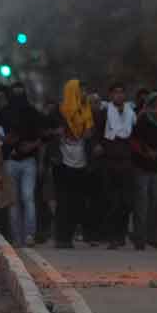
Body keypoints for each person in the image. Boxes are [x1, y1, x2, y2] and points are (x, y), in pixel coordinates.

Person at [0, 82, 45, 246]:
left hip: (28, 161)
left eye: (20, 93)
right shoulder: (4, 112)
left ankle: (29, 235)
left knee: (28, 197)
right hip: (10, 161)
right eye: (15, 93)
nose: (18, 97)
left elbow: (44, 133)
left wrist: (32, 145)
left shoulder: (32, 112)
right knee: (14, 201)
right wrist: (3, 140)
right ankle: (17, 238)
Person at [52, 79, 96, 249]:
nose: (85, 94)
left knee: (77, 202)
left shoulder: (86, 110)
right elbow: (49, 131)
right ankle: (60, 237)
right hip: (62, 161)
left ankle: (69, 236)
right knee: (64, 202)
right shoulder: (60, 110)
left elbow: (89, 133)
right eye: (81, 91)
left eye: (85, 90)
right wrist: (57, 133)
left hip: (81, 161)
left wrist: (87, 133)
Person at [131, 92, 157, 250]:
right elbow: (135, 141)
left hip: (155, 167)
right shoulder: (143, 119)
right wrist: (147, 152)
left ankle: (155, 236)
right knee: (142, 204)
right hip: (141, 166)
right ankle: (139, 238)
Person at [101, 83, 136, 250]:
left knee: (126, 202)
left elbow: (135, 135)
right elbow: (98, 135)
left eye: (122, 93)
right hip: (110, 162)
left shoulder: (131, 113)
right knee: (112, 202)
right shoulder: (104, 113)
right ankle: (112, 237)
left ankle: (121, 235)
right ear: (110, 96)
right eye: (116, 93)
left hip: (127, 163)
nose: (119, 96)